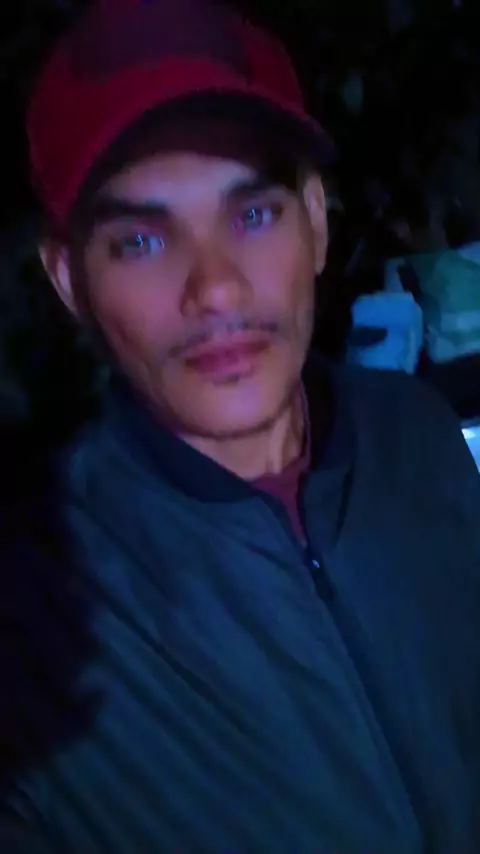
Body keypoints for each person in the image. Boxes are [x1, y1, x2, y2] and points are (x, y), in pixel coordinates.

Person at [1, 0, 480, 852]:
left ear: (317, 223)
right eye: (140, 242)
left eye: (253, 214)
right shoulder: (40, 614)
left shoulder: (415, 432)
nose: (216, 289)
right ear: (70, 281)